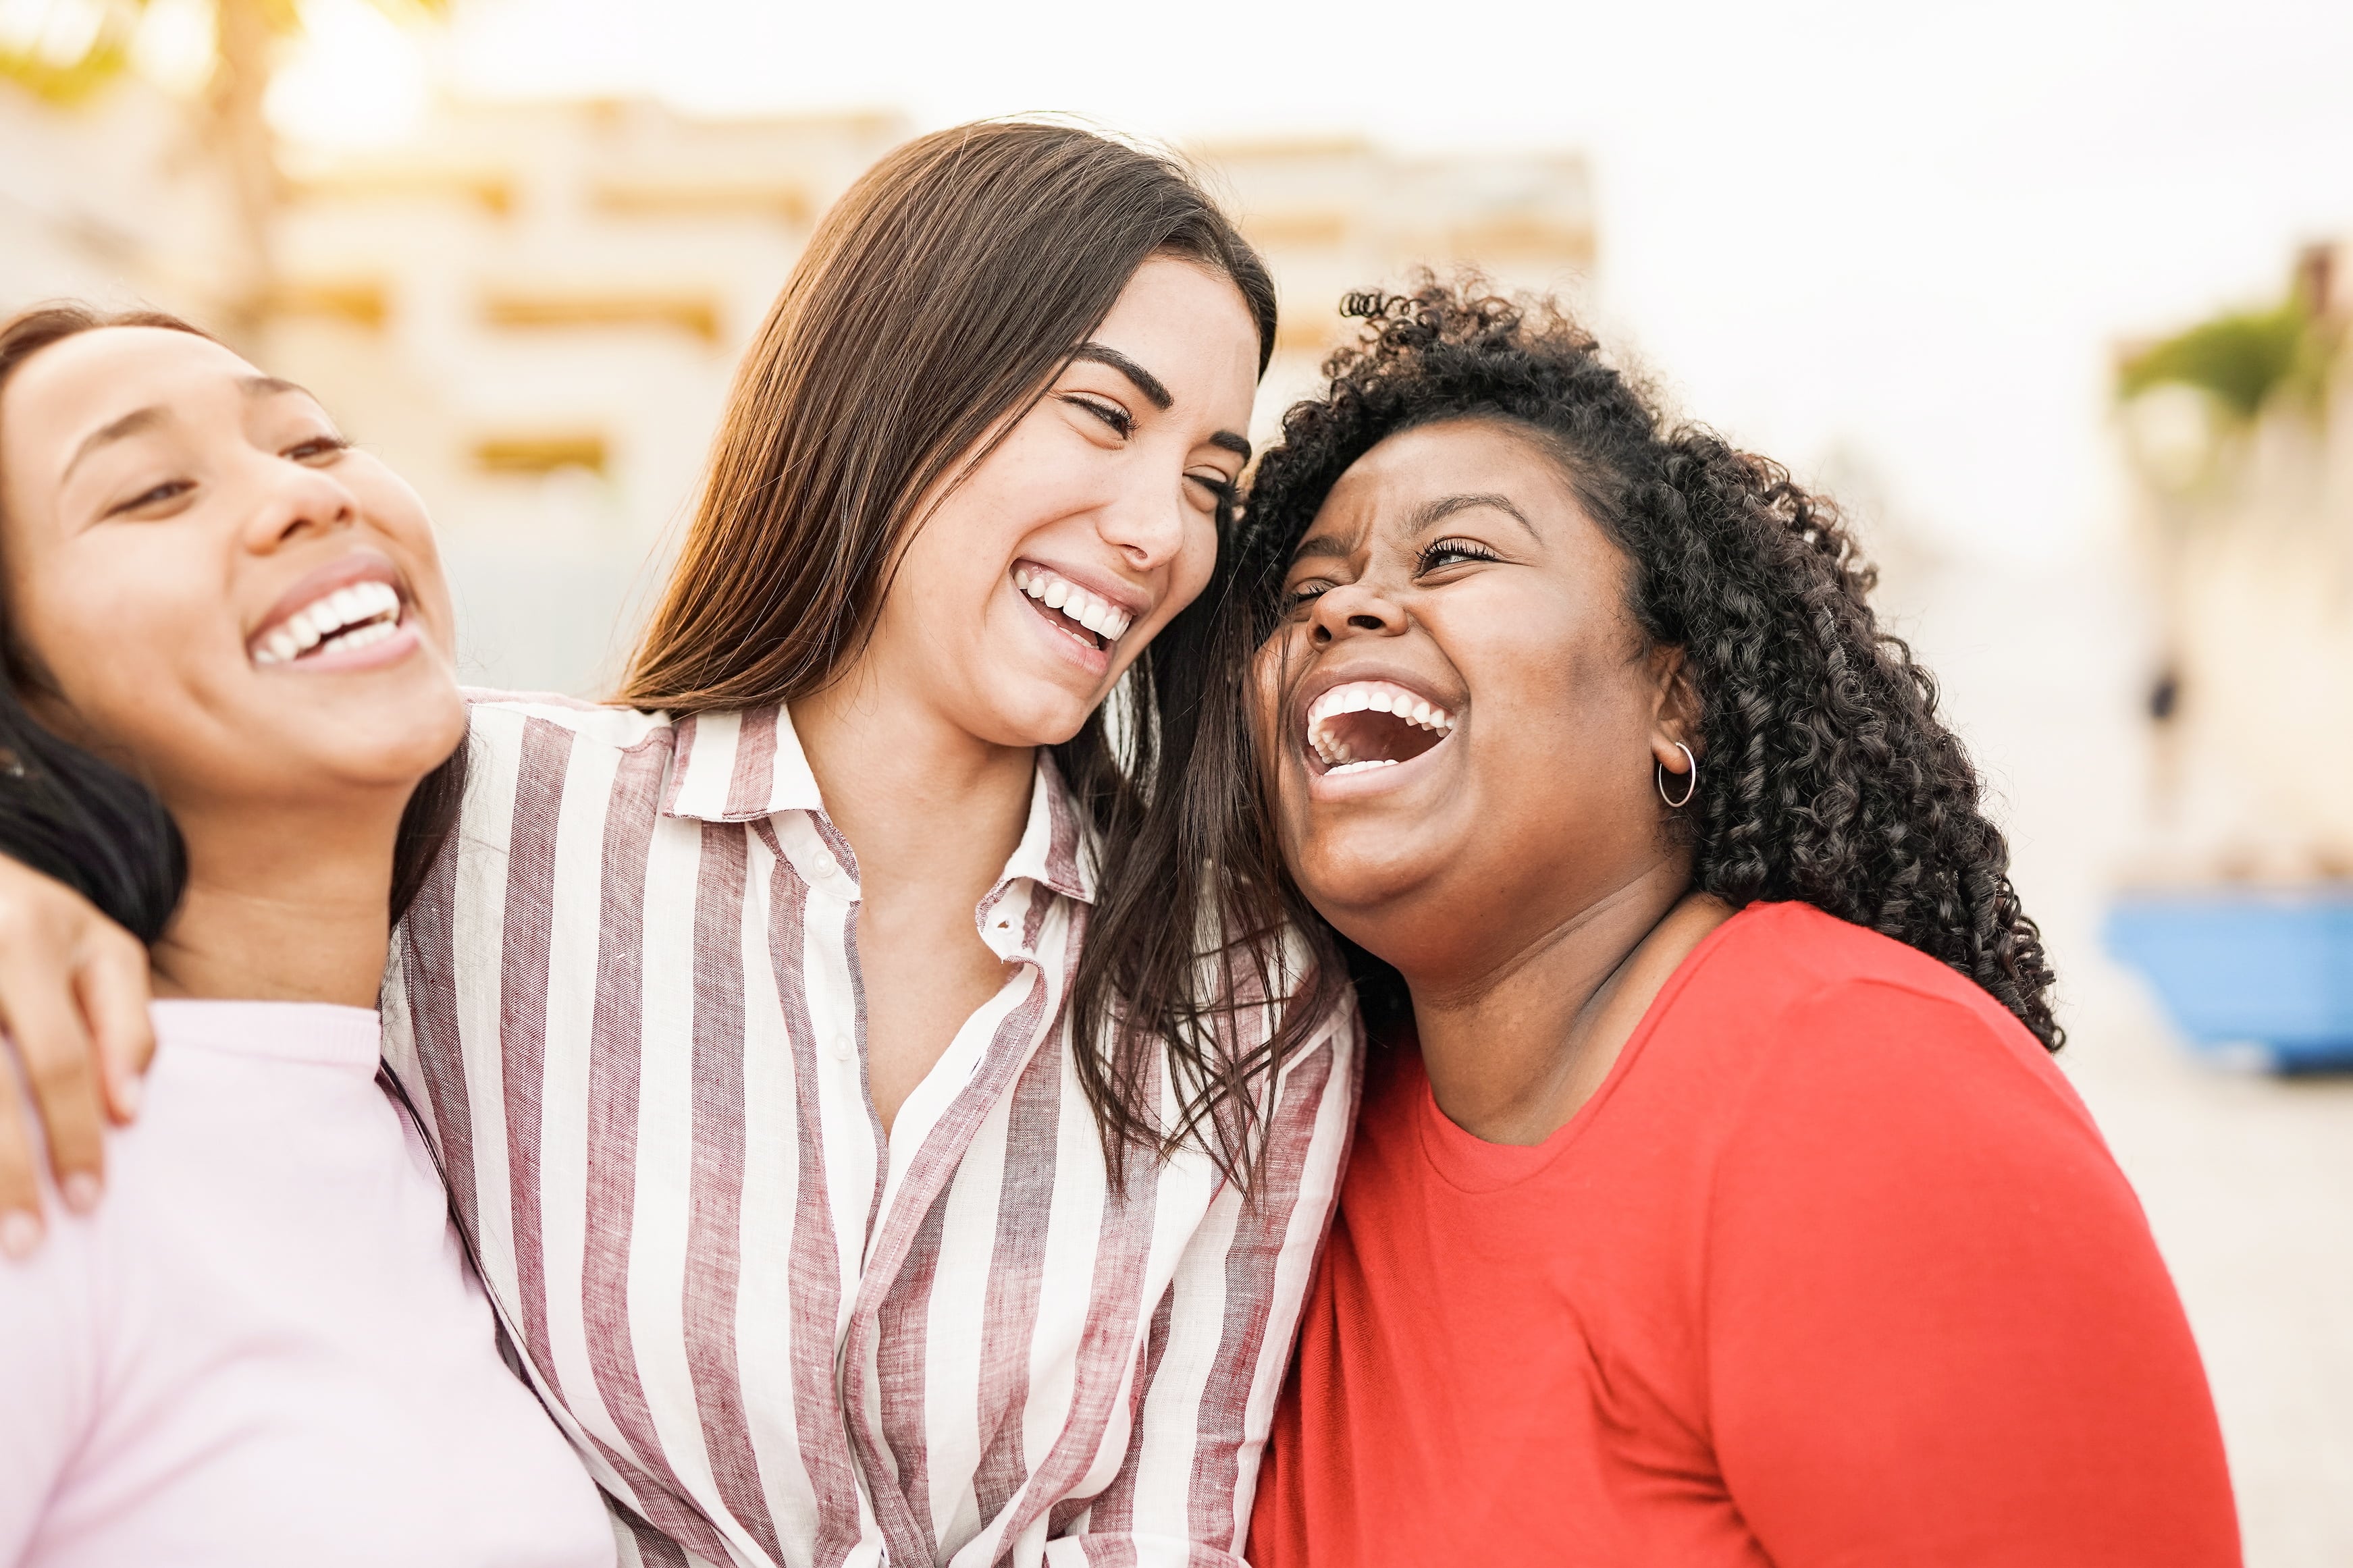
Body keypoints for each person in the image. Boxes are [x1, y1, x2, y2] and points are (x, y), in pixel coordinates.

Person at [0, 124, 1355, 1568]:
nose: (1160, 529)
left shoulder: (1248, 994)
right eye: (1102, 416)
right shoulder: (481, 820)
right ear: (898, 384)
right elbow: (219, 838)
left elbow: (1167, 1529)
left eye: (1212, 480)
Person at [1218, 283, 2242, 1566]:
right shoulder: (1296, 1144)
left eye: (1454, 556)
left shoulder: (1867, 1099)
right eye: (1307, 587)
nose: (1343, 611)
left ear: (1676, 698)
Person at [0, 305, 617, 1566]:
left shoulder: (421, 1108)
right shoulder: (40, 1126)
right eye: (152, 490)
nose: (299, 499)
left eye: (313, 442)